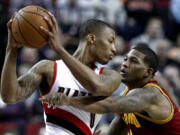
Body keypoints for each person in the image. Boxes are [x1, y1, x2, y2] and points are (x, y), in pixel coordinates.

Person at [0, 12, 121, 135]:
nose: (114, 49)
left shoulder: (110, 76)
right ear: (91, 39)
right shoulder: (49, 68)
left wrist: (59, 49)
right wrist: (11, 49)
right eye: (110, 41)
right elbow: (10, 97)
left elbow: (97, 87)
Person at [40, 43, 180, 135]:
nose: (125, 64)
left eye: (133, 61)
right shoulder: (127, 95)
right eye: (125, 59)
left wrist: (69, 100)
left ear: (147, 72)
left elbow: (110, 105)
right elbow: (118, 129)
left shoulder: (149, 94)